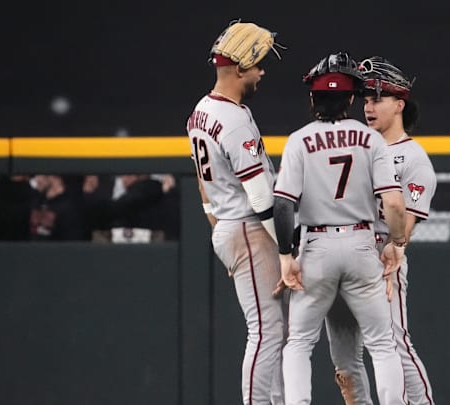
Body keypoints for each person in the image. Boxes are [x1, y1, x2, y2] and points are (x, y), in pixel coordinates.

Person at [273, 51, 408, 405]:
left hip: (317, 246)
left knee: (299, 343)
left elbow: (284, 204)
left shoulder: (299, 140)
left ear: (313, 98)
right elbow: (393, 203)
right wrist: (396, 242)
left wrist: (286, 256)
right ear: (351, 98)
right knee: (382, 344)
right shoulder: (371, 139)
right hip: (362, 245)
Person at [324, 56, 438, 404]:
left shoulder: (413, 157)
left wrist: (396, 247)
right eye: (366, 99)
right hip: (341, 256)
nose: (368, 107)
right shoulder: (352, 147)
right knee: (343, 359)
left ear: (399, 103)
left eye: (377, 98)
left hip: (380, 257)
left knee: (393, 344)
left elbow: (406, 225)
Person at [186, 20, 286, 405]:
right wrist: (287, 250)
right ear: (240, 68)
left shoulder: (200, 112)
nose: (262, 71)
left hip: (231, 226)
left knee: (276, 331)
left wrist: (215, 226)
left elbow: (201, 181)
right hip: (251, 228)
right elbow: (261, 197)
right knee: (266, 332)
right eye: (258, 64)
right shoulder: (233, 118)